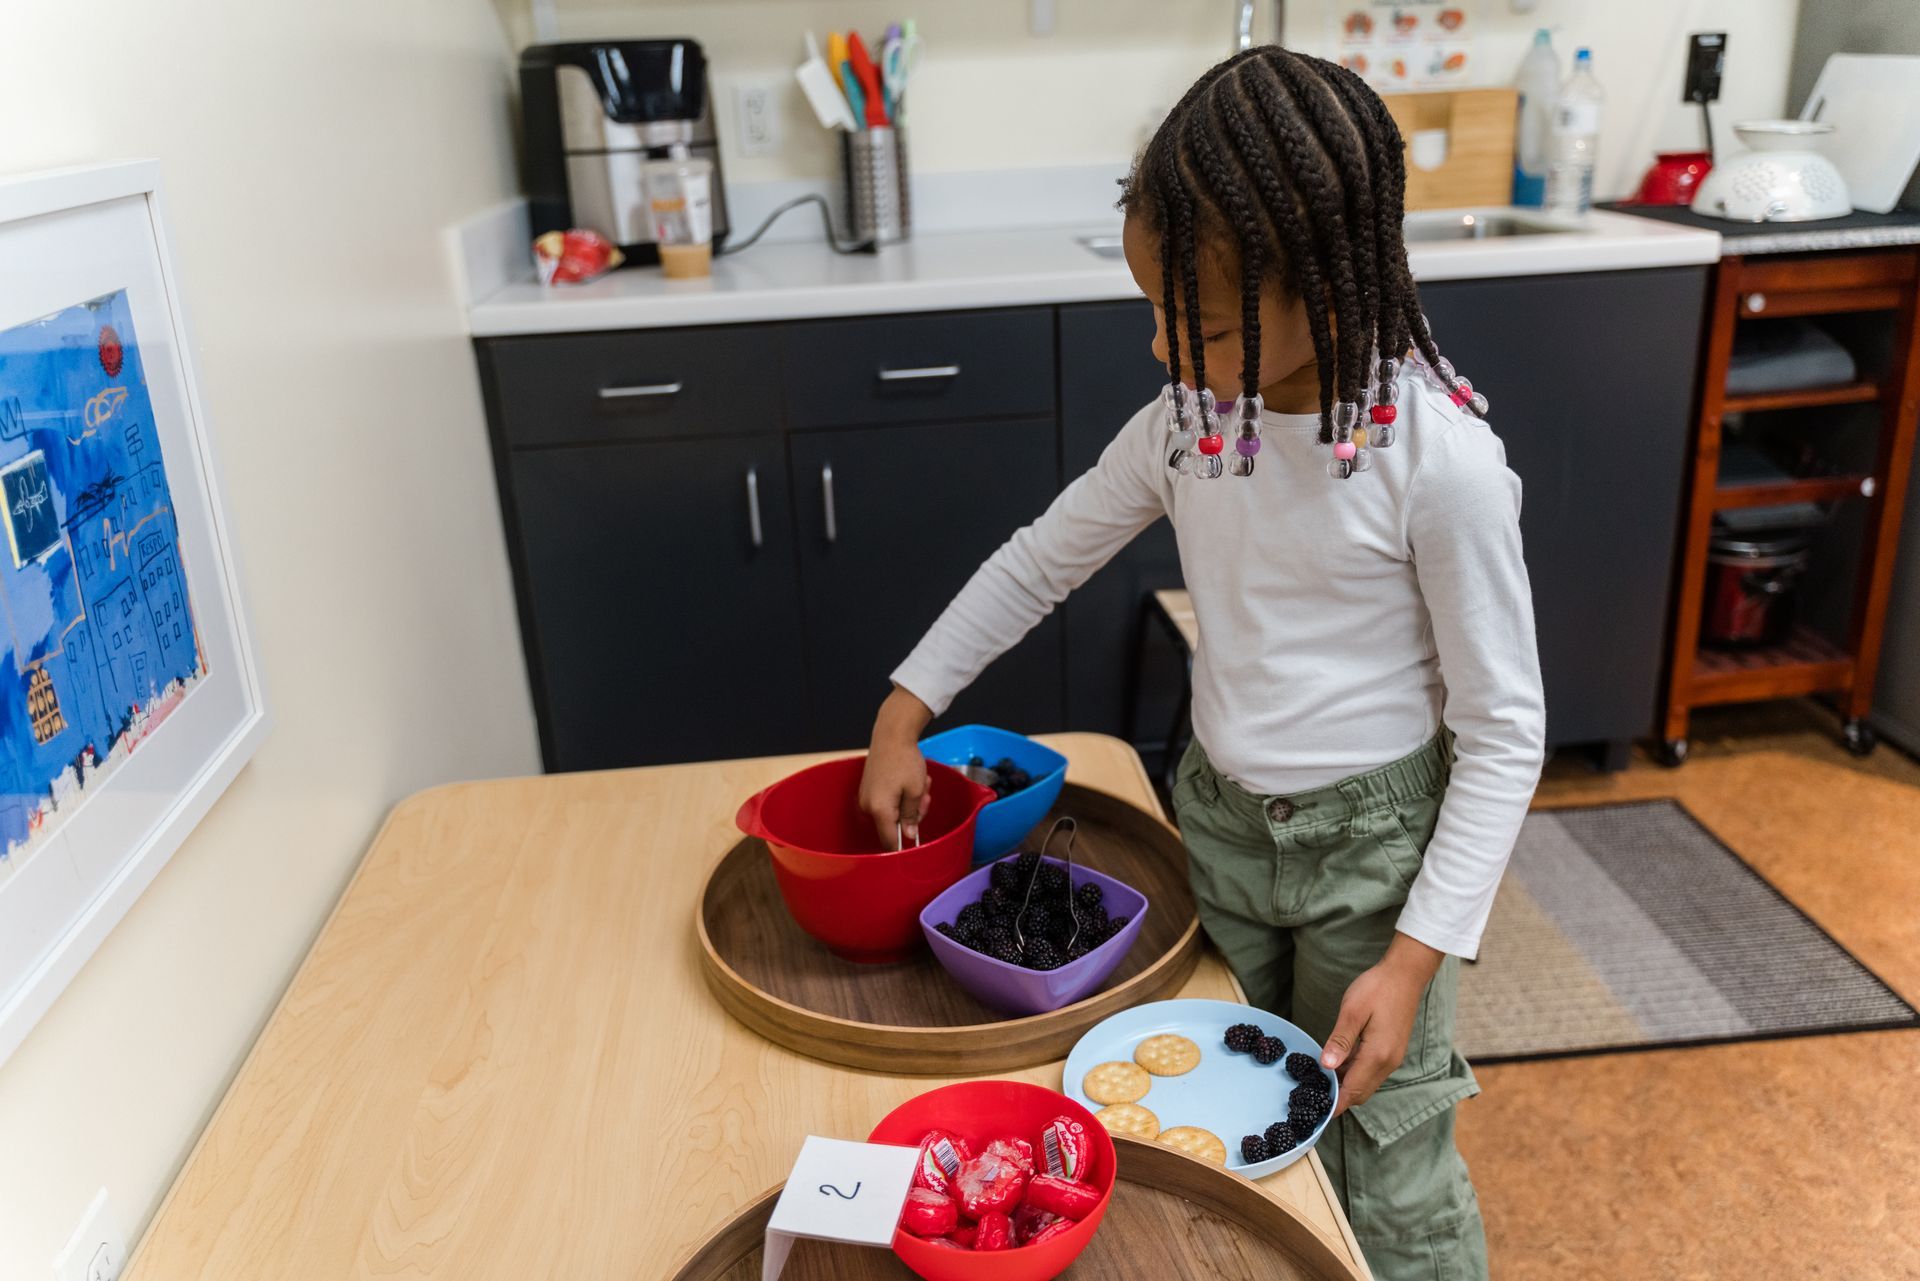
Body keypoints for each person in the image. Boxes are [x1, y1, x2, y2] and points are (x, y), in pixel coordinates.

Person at [859, 46, 1544, 1281]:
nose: (1168, 348)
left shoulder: (1438, 466)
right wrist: (904, 711)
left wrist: (1414, 959)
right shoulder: (1193, 424)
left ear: (1328, 291)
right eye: (1158, 309)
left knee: (1380, 1158)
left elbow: (1504, 734)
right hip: (1221, 829)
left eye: (1204, 322)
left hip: (1374, 869)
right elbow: (1036, 560)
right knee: (1236, 1132)